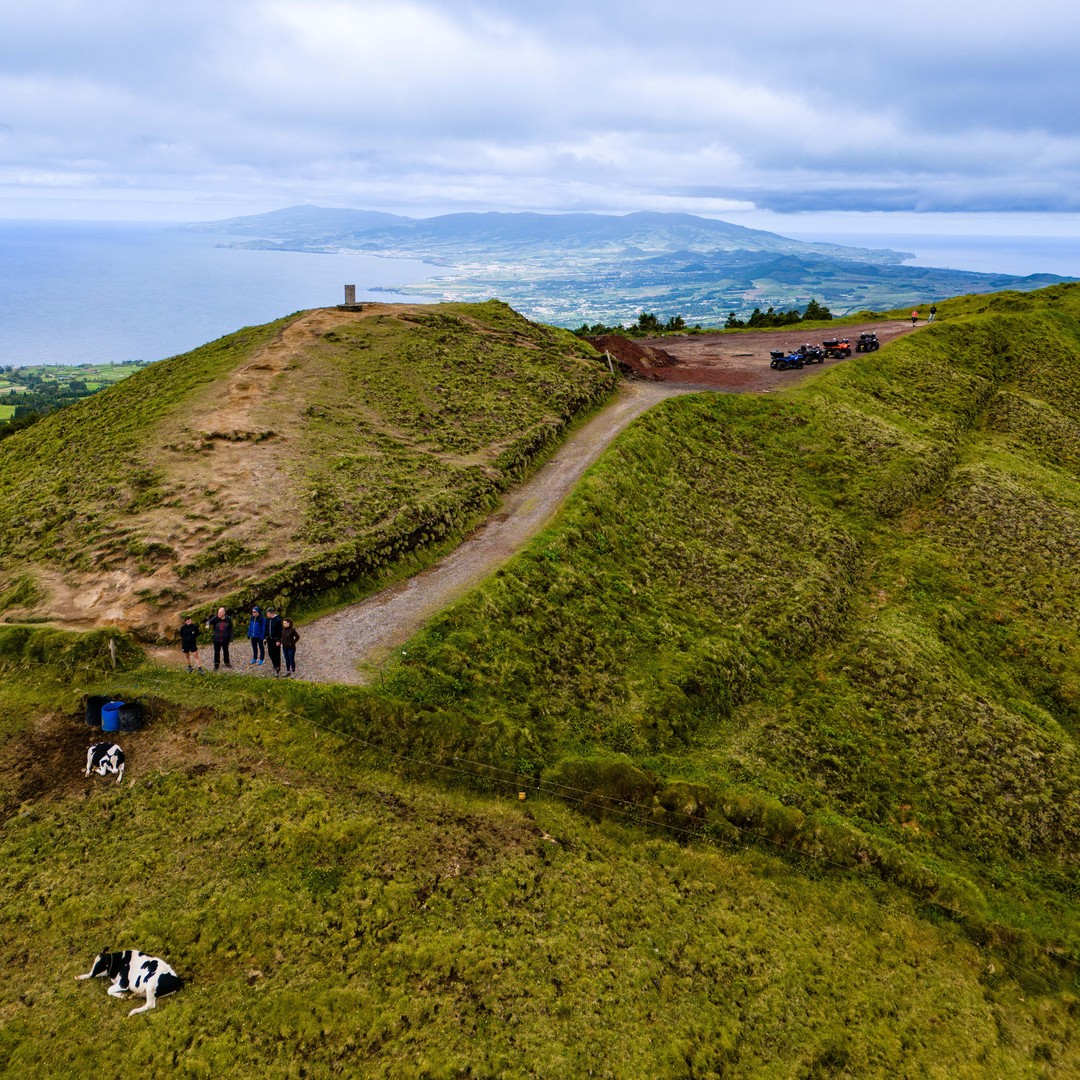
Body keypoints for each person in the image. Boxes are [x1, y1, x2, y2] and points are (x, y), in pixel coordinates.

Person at [206, 606, 233, 670]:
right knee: (216, 652)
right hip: (216, 639)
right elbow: (208, 621)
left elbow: (231, 629)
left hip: (225, 639)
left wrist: (231, 638)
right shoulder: (215, 618)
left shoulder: (229, 619)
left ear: (224, 613)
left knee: (226, 651)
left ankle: (227, 662)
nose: (218, 614)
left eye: (220, 613)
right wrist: (207, 625)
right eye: (218, 612)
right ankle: (216, 664)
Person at [265, 606, 284, 677]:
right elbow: (266, 629)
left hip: (276, 639)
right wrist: (265, 637)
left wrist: (279, 640)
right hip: (269, 639)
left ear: (272, 613)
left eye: (268, 614)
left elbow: (280, 631)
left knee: (276, 653)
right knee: (270, 653)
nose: (267, 615)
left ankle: (278, 666)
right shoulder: (267, 620)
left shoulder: (278, 620)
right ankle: (274, 664)